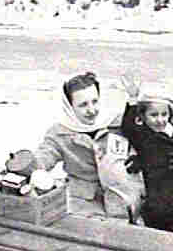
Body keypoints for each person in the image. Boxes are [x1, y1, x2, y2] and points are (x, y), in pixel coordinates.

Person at [32, 71, 143, 220]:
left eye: (94, 101)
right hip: (83, 203)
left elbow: (145, 139)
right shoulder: (59, 133)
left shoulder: (116, 123)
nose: (91, 110)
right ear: (70, 106)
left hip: (122, 198)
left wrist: (141, 158)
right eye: (83, 105)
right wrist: (27, 166)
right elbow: (44, 156)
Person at [120, 73, 173, 234]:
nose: (160, 120)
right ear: (143, 117)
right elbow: (127, 126)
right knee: (155, 227)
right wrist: (132, 99)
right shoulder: (143, 136)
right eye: (153, 115)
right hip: (155, 197)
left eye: (164, 114)